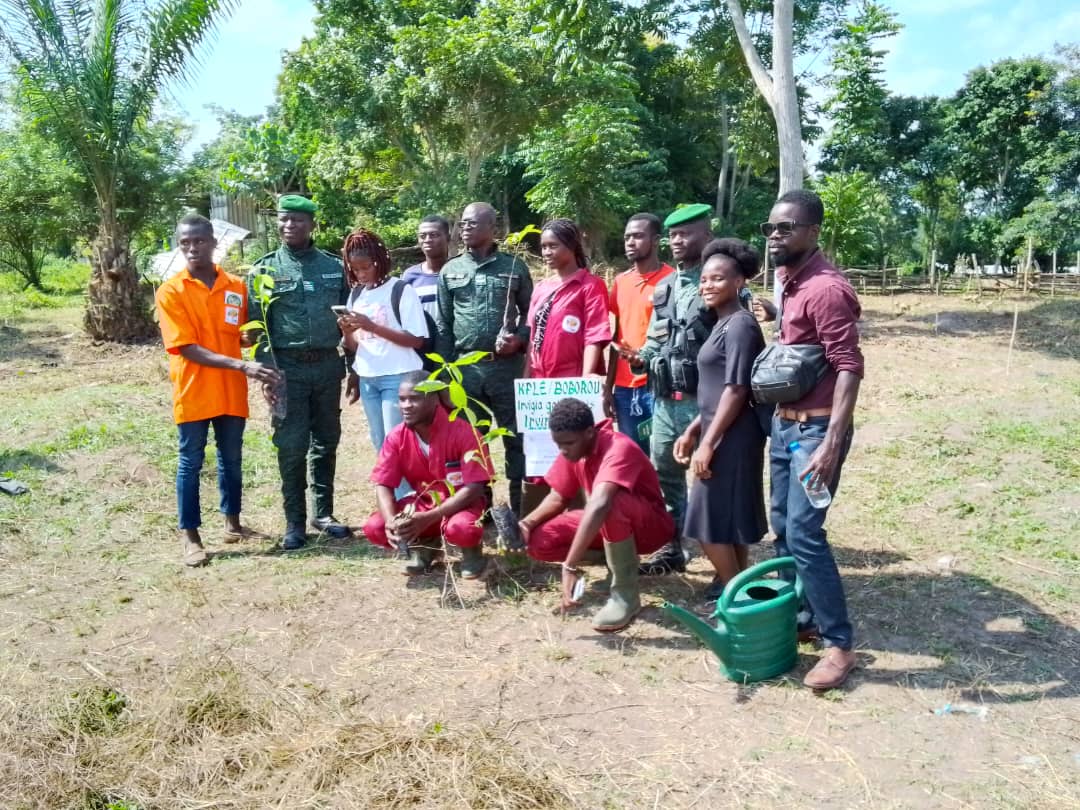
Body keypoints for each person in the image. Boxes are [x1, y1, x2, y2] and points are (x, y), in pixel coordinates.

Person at [763, 188, 864, 690]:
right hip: (784, 427)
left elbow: (849, 367)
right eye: (770, 228)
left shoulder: (826, 289)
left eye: (785, 228)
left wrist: (830, 445)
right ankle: (797, 615)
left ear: (812, 232)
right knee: (781, 525)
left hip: (815, 431)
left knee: (804, 533)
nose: (774, 236)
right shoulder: (788, 281)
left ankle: (839, 643)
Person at [155, 214, 280, 566]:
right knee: (190, 462)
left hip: (229, 390)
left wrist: (258, 331)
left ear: (213, 241)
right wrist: (243, 365)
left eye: (198, 240)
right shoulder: (171, 291)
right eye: (185, 243)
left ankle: (233, 523)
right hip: (194, 389)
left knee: (232, 458)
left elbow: (243, 334)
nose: (192, 248)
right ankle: (191, 535)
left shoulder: (237, 287)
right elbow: (187, 347)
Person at [518, 399, 675, 632]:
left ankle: (625, 596)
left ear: (589, 433)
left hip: (650, 527)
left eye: (568, 443)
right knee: (539, 540)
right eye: (557, 444)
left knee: (609, 504)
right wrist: (526, 523)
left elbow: (601, 503)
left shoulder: (618, 448)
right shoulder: (573, 449)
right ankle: (618, 564)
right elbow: (558, 497)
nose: (563, 450)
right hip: (610, 523)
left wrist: (569, 566)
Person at [249, 195, 350, 550]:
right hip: (286, 371)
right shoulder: (262, 270)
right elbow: (256, 326)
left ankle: (323, 513)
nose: (289, 225)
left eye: (297, 220)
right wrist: (267, 373)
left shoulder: (335, 268)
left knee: (326, 441)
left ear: (312, 225)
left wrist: (351, 368)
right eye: (284, 219)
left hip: (326, 367)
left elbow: (348, 322)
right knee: (291, 446)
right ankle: (294, 522)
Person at [673, 239, 767, 599]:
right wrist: (693, 429)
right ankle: (742, 590)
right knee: (727, 521)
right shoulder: (722, 323)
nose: (707, 285)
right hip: (720, 430)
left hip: (733, 437)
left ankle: (737, 598)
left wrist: (707, 444)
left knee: (706, 525)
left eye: (718, 279)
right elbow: (714, 391)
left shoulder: (741, 325)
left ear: (740, 282)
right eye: (705, 279)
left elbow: (737, 389)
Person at [435, 202, 533, 515]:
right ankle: (479, 505)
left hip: (507, 368)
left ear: (494, 229)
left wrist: (519, 339)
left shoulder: (514, 266)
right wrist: (446, 372)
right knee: (471, 441)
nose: (465, 228)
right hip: (466, 370)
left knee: (516, 437)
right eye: (462, 224)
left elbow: (532, 314)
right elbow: (443, 325)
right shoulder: (450, 270)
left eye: (473, 224)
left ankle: (520, 507)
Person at [634, 203, 715, 575]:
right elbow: (655, 341)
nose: (677, 240)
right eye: (673, 235)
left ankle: (723, 564)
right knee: (665, 475)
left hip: (706, 402)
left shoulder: (718, 280)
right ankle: (673, 548)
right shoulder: (664, 287)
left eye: (686, 233)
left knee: (712, 480)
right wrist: (638, 358)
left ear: (706, 236)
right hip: (666, 401)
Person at [362, 371, 493, 578]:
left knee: (462, 528)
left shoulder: (464, 432)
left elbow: (476, 487)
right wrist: (390, 521)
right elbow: (383, 483)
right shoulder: (396, 436)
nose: (405, 405)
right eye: (402, 399)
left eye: (413, 399)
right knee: (375, 527)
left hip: (462, 505)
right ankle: (425, 547)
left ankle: (472, 552)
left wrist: (429, 517)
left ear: (433, 400)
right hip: (423, 503)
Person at [337, 228, 428, 487]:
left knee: (396, 439)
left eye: (366, 267)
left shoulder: (400, 290)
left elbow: (416, 339)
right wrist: (348, 332)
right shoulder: (356, 294)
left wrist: (372, 326)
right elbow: (353, 346)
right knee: (380, 440)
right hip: (368, 377)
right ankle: (392, 497)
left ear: (380, 261)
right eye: (355, 269)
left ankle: (408, 500)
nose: (361, 274)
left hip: (397, 376)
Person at [604, 213, 675, 454]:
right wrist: (608, 387)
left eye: (638, 236)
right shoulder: (620, 282)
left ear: (655, 240)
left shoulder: (672, 281)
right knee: (631, 457)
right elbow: (617, 335)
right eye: (627, 237)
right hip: (625, 388)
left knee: (662, 459)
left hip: (659, 384)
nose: (630, 242)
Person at [525, 218, 610, 379]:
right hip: (540, 381)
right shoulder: (541, 288)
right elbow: (532, 337)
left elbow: (594, 335)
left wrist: (586, 378)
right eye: (544, 247)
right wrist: (526, 379)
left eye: (553, 246)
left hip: (572, 378)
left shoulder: (590, 285)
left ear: (572, 246)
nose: (547, 252)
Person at [402, 215, 451, 320]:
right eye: (423, 236)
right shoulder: (409, 276)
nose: (427, 240)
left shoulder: (459, 272)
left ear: (448, 238)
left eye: (434, 235)